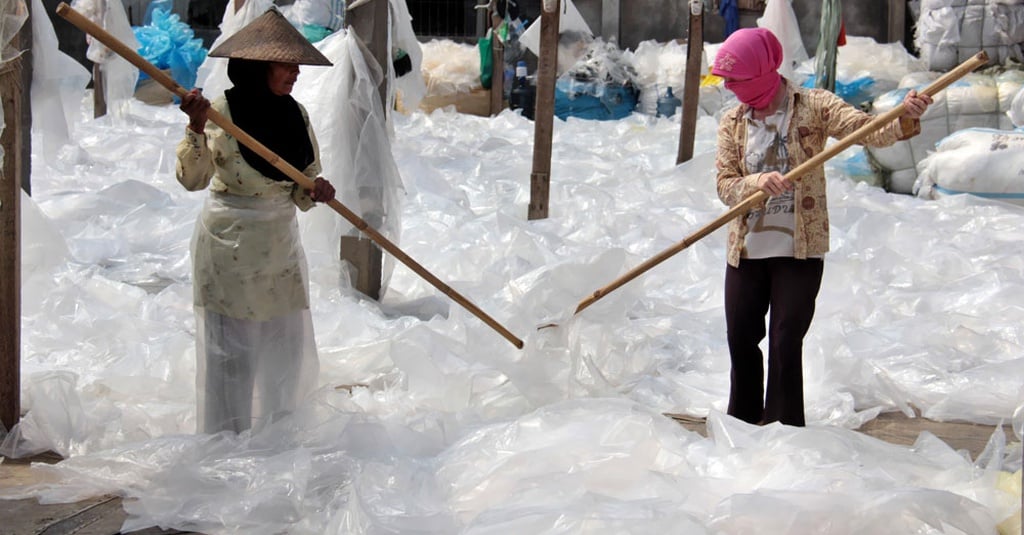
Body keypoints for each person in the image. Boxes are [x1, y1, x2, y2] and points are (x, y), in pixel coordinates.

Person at [711, 28, 932, 427]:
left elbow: (868, 130)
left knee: (784, 340)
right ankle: (741, 425)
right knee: (741, 338)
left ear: (763, 71)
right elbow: (725, 183)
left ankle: (781, 428)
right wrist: (755, 183)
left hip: (799, 247)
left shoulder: (813, 105)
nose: (730, 88)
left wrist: (904, 118)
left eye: (736, 79)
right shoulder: (732, 121)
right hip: (747, 249)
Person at [175, 9, 337, 434]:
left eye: (296, 65)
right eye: (286, 64)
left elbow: (301, 186)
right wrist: (194, 126)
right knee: (233, 355)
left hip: (278, 249)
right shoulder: (219, 114)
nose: (295, 73)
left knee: (283, 347)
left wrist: (317, 190)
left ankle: (276, 439)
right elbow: (193, 179)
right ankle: (226, 446)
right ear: (257, 67)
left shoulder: (295, 115)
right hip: (230, 248)